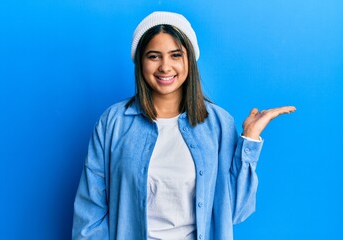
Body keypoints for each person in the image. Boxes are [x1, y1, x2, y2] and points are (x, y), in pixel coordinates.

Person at [72, 11, 296, 240]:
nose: (165, 67)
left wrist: (249, 138)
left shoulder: (218, 124)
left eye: (175, 55)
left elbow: (236, 211)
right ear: (140, 61)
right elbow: (90, 214)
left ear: (189, 59)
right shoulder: (113, 123)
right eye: (154, 56)